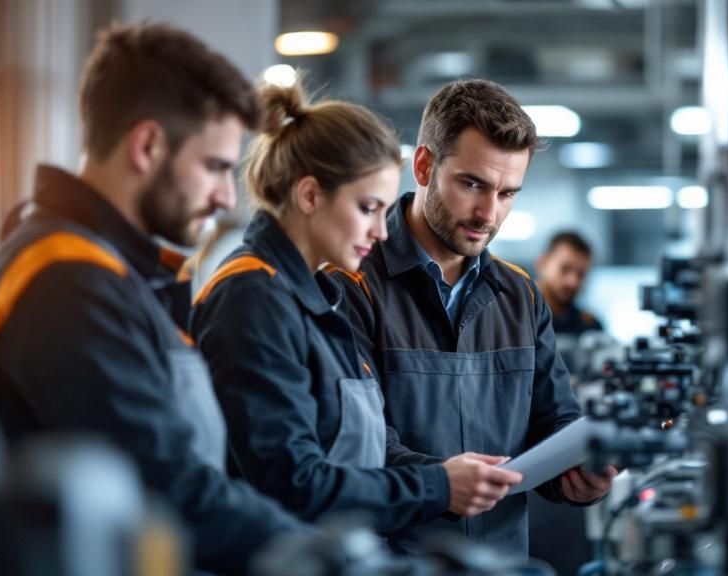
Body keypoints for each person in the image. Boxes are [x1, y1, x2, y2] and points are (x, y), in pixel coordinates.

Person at [0, 23, 309, 574]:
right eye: (216, 167)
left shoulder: (103, 268)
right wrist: (328, 555)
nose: (225, 196)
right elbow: (170, 490)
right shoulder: (70, 285)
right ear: (147, 146)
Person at [189, 79, 522, 532]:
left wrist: (445, 477)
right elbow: (294, 483)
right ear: (309, 195)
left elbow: (361, 451)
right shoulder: (253, 298)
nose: (382, 232)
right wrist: (437, 486)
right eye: (368, 208)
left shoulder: (315, 297)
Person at [330, 78, 615, 556]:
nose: (489, 213)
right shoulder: (353, 283)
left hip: (499, 563)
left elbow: (555, 421)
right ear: (424, 166)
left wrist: (580, 474)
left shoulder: (520, 296)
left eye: (507, 193)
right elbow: (357, 445)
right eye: (472, 184)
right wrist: (441, 483)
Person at [536, 231, 605, 336]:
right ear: (543, 263)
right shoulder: (513, 318)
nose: (573, 282)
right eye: (565, 269)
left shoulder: (590, 326)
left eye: (581, 274)